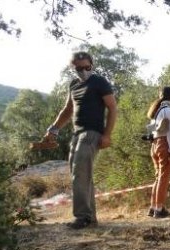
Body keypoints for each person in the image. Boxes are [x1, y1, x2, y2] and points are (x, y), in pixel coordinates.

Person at [44, 51, 117, 229]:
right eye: (79, 68)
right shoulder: (73, 84)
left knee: (79, 173)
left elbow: (113, 108)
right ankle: (90, 219)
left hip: (92, 132)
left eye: (87, 67)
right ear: (73, 68)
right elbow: (68, 109)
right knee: (81, 175)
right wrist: (53, 129)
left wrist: (107, 135)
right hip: (77, 133)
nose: (83, 71)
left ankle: (82, 217)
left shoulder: (99, 82)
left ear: (92, 65)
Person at [146, 86, 170, 218]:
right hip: (164, 144)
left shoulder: (157, 111)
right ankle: (159, 210)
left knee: (158, 177)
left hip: (154, 145)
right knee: (163, 178)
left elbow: (151, 130)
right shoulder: (169, 110)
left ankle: (153, 207)